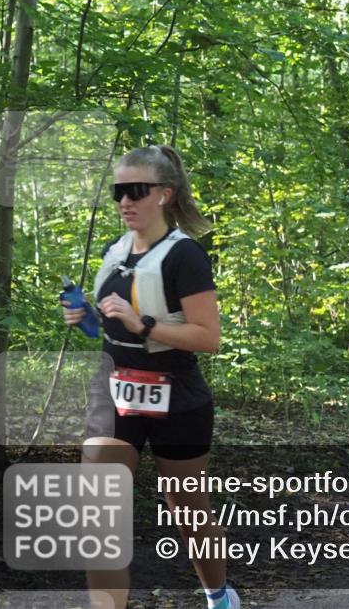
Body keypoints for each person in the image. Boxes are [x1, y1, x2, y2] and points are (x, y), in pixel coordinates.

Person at [62, 146, 239, 609]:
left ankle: (219, 597)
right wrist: (85, 319)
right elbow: (111, 327)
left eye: (135, 191)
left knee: (189, 513)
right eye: (119, 191)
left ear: (164, 194)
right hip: (114, 390)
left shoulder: (186, 256)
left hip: (175, 394)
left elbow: (208, 338)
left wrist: (144, 324)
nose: (125, 201)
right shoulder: (113, 251)